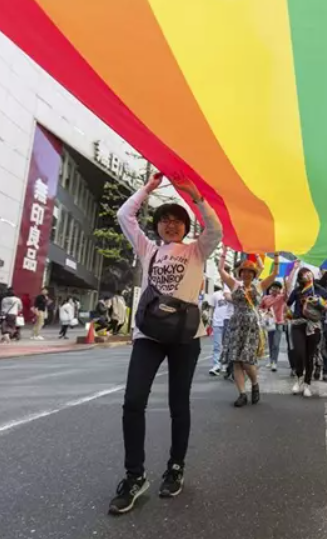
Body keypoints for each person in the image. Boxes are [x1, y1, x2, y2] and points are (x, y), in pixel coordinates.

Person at [108, 171, 222, 515]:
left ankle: (175, 467)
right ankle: (134, 475)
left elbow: (215, 230)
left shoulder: (198, 250)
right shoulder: (148, 249)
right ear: (157, 226)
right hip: (149, 335)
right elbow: (124, 216)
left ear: (186, 228)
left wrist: (197, 198)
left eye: (177, 221)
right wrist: (148, 188)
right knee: (132, 402)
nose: (171, 225)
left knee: (178, 404)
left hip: (186, 337)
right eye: (165, 220)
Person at [218, 247, 279, 407]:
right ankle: (242, 394)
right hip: (236, 324)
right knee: (236, 361)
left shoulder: (259, 286)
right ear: (240, 273)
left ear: (254, 274)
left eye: (250, 272)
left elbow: (273, 274)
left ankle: (255, 383)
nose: (246, 274)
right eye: (244, 271)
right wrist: (224, 251)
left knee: (247, 360)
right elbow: (220, 270)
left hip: (252, 325)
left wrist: (277, 256)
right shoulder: (234, 285)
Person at [287, 264, 327, 397]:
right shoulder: (297, 291)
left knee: (310, 355)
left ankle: (307, 384)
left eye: (309, 273)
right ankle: (299, 379)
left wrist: (320, 303)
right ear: (300, 278)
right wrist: (288, 314)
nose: (308, 275)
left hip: (314, 325)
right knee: (299, 352)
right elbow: (287, 303)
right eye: (304, 274)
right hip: (298, 323)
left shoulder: (319, 289)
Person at [260, 281, 287, 372]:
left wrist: (286, 283)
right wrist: (265, 311)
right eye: (273, 287)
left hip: (279, 323)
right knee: (271, 343)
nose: (274, 289)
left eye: (277, 288)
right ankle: (271, 360)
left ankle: (274, 362)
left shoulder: (281, 297)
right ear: (270, 288)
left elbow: (286, 294)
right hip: (269, 323)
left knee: (276, 343)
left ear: (279, 290)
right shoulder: (265, 298)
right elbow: (260, 307)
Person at [209, 287, 232, 376]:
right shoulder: (216, 294)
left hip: (228, 321)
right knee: (217, 346)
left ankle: (225, 364)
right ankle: (216, 365)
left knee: (227, 346)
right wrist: (210, 320)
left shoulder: (232, 292)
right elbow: (212, 308)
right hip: (217, 322)